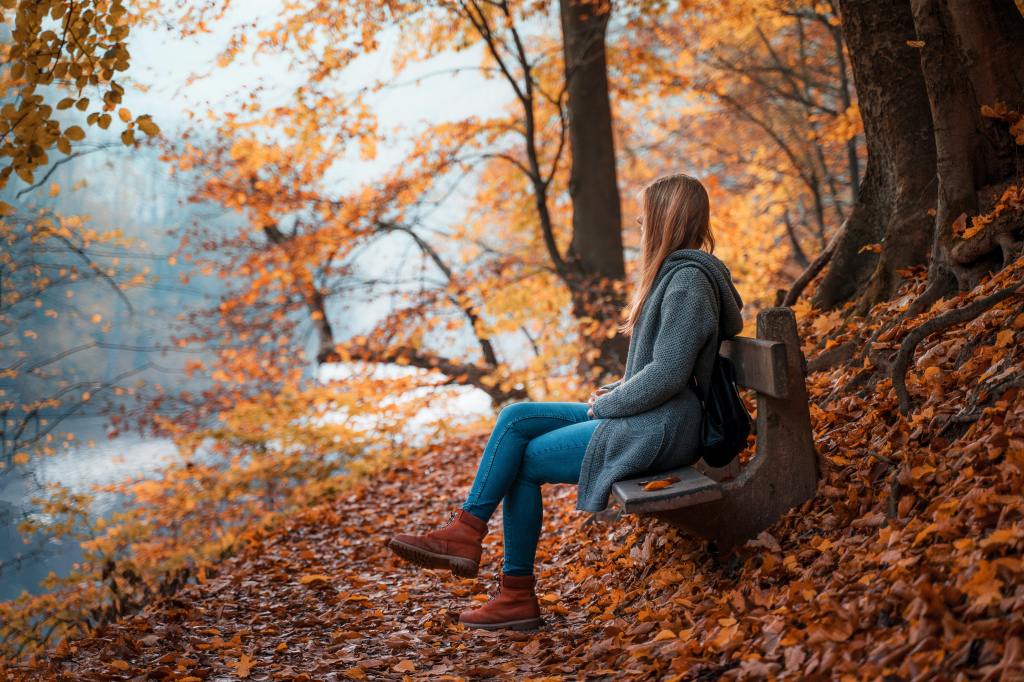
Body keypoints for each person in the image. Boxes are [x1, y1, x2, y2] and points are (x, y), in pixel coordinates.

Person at [387, 172, 745, 631]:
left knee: (524, 461)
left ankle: (513, 592)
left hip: (662, 426)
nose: (638, 221)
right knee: (517, 418)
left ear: (664, 219)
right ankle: (468, 532)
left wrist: (605, 407)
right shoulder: (679, 276)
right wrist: (614, 393)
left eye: (645, 215)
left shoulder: (688, 281)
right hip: (654, 415)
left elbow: (667, 373)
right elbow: (659, 369)